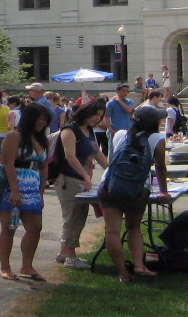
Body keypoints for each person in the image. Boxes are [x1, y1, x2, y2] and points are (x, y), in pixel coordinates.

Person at [98, 106, 170, 283]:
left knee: (113, 231)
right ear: (155, 123)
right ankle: (139, 264)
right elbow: (160, 167)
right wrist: (163, 190)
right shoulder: (157, 139)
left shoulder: (120, 134)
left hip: (109, 185)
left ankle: (123, 273)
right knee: (133, 227)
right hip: (137, 188)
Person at [0, 103, 53, 281]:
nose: (43, 123)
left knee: (35, 228)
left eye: (45, 120)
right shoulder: (14, 136)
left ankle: (27, 265)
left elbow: (44, 167)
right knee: (9, 228)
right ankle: (5, 267)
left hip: (32, 187)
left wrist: (41, 191)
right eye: (41, 118)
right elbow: (8, 163)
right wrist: (14, 190)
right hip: (12, 186)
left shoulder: (40, 139)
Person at [54, 99, 109, 270]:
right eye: (95, 115)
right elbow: (70, 156)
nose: (96, 119)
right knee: (72, 217)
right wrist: (85, 176)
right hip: (67, 178)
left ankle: (64, 252)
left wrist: (112, 170)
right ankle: (71, 258)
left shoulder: (89, 130)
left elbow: (97, 152)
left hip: (82, 179)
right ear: (86, 112)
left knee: (80, 215)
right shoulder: (70, 130)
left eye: (100, 116)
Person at [105, 84, 135, 155]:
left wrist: (119, 101)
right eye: (123, 91)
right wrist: (111, 130)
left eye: (127, 91)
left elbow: (129, 110)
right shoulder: (111, 103)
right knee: (112, 151)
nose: (125, 93)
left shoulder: (129, 102)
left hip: (127, 129)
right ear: (118, 91)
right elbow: (106, 118)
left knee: (127, 150)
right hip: (115, 130)